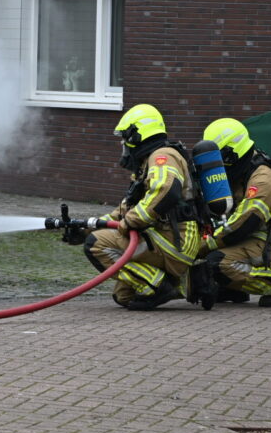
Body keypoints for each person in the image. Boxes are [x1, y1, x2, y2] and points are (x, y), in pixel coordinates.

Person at [80, 104, 206, 310]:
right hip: (167, 237)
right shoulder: (146, 164)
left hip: (175, 240)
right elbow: (123, 211)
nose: (124, 145)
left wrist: (130, 221)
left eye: (126, 139)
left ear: (138, 135)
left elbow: (166, 191)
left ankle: (160, 286)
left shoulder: (162, 156)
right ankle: (177, 282)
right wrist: (85, 228)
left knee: (96, 244)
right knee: (124, 296)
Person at [195, 118, 271, 307]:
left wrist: (203, 245)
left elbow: (243, 224)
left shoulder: (262, 180)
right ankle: (234, 290)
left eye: (219, 157)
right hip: (258, 232)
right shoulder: (241, 169)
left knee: (217, 263)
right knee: (210, 258)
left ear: (231, 153)